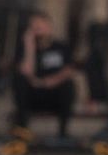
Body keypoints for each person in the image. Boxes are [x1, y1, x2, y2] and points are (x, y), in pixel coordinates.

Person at [12, 11, 80, 139]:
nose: (36, 28)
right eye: (33, 26)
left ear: (49, 27)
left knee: (68, 85)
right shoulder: (25, 48)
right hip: (33, 96)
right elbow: (26, 71)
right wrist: (29, 47)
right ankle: (22, 130)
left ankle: (63, 133)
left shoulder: (61, 47)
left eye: (40, 25)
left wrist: (46, 82)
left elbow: (69, 70)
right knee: (19, 80)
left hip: (55, 94)